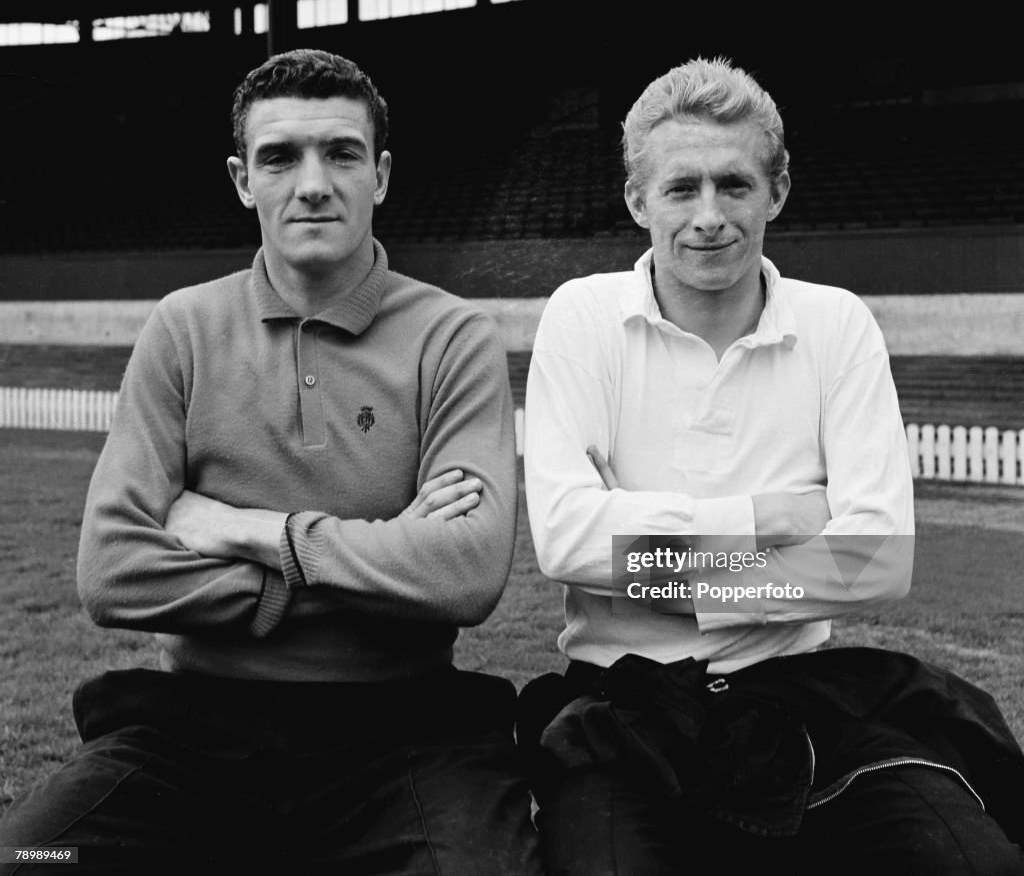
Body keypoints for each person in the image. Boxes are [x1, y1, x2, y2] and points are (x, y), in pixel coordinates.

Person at [0, 49, 541, 874]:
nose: (313, 182)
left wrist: (247, 530)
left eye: (342, 153)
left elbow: (464, 576)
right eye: (280, 157)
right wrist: (373, 561)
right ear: (242, 178)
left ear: (382, 174)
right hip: (192, 725)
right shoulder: (182, 328)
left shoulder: (451, 336)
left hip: (407, 728)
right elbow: (110, 572)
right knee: (30, 855)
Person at [521, 56, 1024, 874]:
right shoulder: (582, 315)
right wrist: (770, 519)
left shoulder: (837, 325)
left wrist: (657, 565)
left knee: (971, 860)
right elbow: (568, 542)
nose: (709, 217)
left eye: (735, 184)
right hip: (624, 702)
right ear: (637, 199)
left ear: (778, 191)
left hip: (801, 695)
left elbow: (878, 560)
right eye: (682, 189)